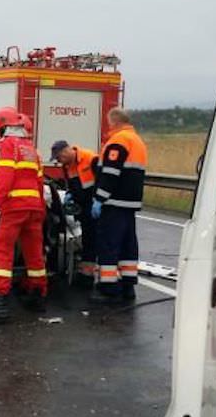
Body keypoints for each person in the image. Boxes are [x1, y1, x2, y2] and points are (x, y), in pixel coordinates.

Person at [0, 108, 47, 323]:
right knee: (34, 253)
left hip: (14, 206)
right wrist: (41, 208)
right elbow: (39, 181)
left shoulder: (6, 145)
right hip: (34, 207)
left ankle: (0, 302)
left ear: (2, 128)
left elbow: (4, 177)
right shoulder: (30, 148)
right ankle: (37, 295)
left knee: (3, 252)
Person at [91, 107, 147, 304]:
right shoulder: (137, 140)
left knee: (109, 244)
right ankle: (128, 285)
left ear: (114, 121)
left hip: (114, 202)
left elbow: (110, 173)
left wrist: (100, 198)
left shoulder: (118, 140)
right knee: (127, 245)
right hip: (130, 203)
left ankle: (109, 288)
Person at [52, 140, 99, 284]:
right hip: (84, 209)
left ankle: (105, 278)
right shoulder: (67, 166)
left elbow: (103, 182)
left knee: (100, 241)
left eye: (59, 157)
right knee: (88, 240)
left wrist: (100, 201)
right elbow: (72, 186)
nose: (59, 161)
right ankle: (87, 275)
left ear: (66, 151)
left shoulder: (91, 159)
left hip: (96, 206)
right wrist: (69, 195)